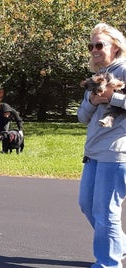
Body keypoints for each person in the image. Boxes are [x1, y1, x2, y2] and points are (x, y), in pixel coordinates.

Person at [78, 22, 126, 267]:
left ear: (115, 47)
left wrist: (112, 97)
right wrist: (94, 101)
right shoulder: (94, 78)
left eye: (100, 45)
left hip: (117, 152)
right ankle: (120, 244)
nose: (94, 50)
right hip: (94, 152)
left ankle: (108, 263)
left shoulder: (125, 70)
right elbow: (81, 116)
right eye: (91, 46)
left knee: (106, 212)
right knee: (87, 205)